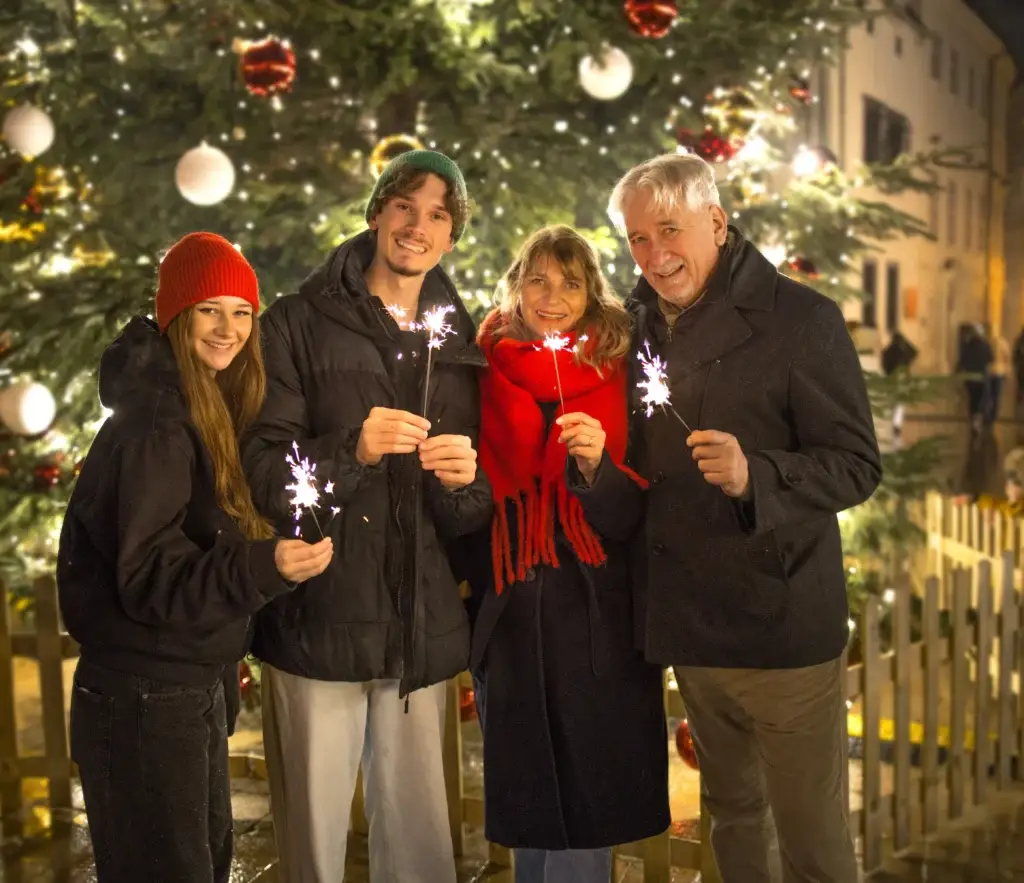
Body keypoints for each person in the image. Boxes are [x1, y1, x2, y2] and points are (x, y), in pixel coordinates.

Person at [608, 153, 882, 883]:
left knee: (813, 839)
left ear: (717, 223)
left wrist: (755, 473)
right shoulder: (631, 328)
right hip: (692, 627)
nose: (655, 254)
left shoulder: (800, 320)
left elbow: (858, 463)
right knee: (732, 815)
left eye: (670, 229)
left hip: (782, 629)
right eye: (637, 238)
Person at [241, 150, 493, 883]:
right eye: (406, 206)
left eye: (438, 215)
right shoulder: (296, 322)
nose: (418, 226)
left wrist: (462, 481)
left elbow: (471, 511)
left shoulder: (456, 341)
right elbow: (262, 473)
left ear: (451, 236)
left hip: (419, 630)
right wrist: (350, 448)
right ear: (378, 211)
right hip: (319, 617)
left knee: (419, 844)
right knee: (313, 843)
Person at [57, 232, 333, 883]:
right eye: (210, 308)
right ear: (177, 315)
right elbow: (150, 577)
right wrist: (264, 567)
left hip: (181, 685)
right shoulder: (156, 425)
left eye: (241, 311)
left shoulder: (199, 407)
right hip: (143, 696)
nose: (229, 328)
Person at [459, 226, 670, 883]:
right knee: (527, 802)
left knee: (587, 798)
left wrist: (595, 467)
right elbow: (470, 509)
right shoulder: (481, 360)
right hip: (512, 609)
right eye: (539, 280)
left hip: (595, 615)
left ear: (590, 292)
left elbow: (634, 515)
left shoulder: (620, 362)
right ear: (517, 283)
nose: (552, 297)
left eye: (570, 283)